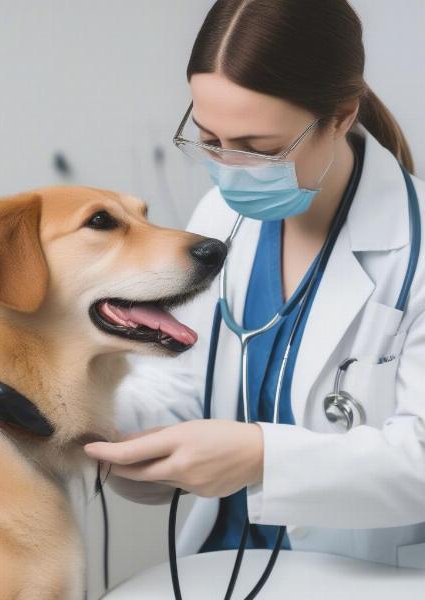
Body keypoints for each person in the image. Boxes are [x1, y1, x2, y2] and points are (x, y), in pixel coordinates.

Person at [83, 0, 425, 568]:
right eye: (209, 138)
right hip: (222, 558)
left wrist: (263, 457)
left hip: (363, 572)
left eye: (260, 149)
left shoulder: (415, 250)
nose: (229, 168)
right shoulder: (220, 215)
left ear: (341, 116)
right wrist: (94, 415)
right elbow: (179, 384)